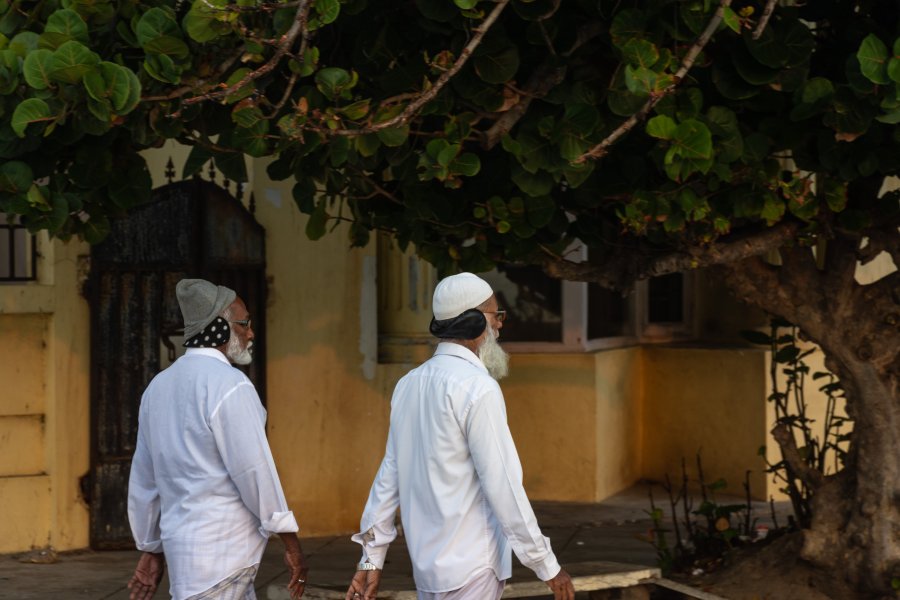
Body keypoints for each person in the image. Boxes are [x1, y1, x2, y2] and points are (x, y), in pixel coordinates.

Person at [345, 272, 575, 600]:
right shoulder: (478, 389)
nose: (500, 325)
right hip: (473, 566)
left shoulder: (409, 383)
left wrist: (371, 558)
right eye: (496, 316)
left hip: (428, 571)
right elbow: (503, 486)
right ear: (473, 321)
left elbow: (388, 477)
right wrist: (547, 565)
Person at [127, 278, 308, 600]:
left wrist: (151, 546)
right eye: (244, 324)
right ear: (219, 328)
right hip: (223, 551)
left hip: (186, 554)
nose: (250, 333)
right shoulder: (229, 385)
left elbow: (145, 478)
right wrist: (289, 538)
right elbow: (253, 470)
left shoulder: (158, 386)